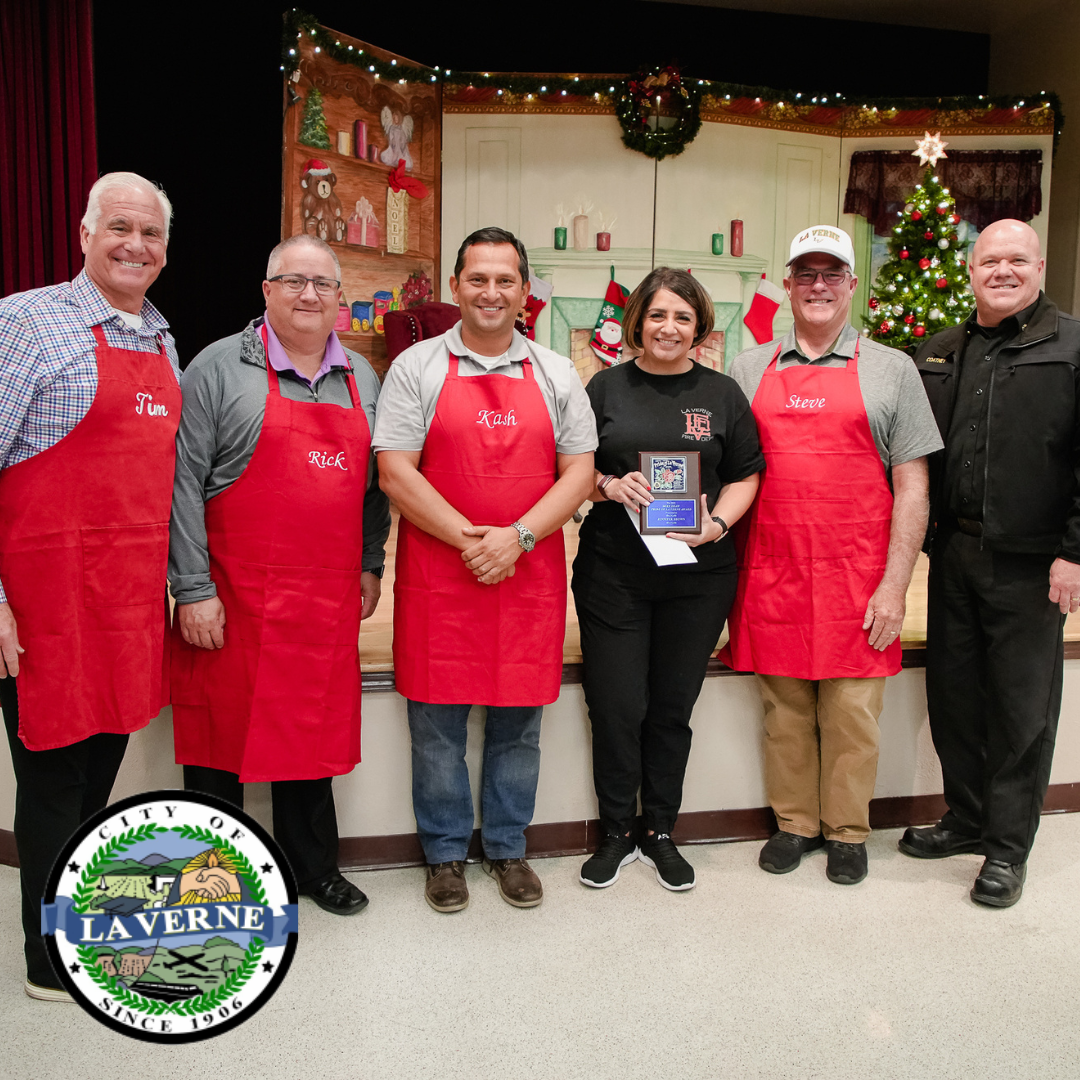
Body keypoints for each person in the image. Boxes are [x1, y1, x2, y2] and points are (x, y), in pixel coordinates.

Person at [375, 227, 596, 912]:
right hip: (441, 579)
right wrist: (472, 540)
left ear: (524, 292)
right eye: (478, 279)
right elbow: (393, 470)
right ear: (455, 287)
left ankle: (507, 847)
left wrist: (519, 538)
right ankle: (444, 855)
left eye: (505, 280)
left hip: (525, 576)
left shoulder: (557, 373)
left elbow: (581, 471)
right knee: (436, 727)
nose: (491, 292)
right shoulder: (416, 368)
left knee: (518, 727)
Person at [168, 234, 389, 916]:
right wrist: (193, 589)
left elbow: (374, 488)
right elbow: (182, 484)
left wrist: (369, 562)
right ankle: (215, 883)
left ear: (340, 302)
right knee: (216, 742)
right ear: (266, 292)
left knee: (310, 735)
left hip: (323, 596)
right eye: (293, 281)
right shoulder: (216, 368)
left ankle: (313, 868)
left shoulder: (362, 377)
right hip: (231, 595)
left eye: (323, 284)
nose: (308, 295)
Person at [0, 172, 179, 1000]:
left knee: (103, 762)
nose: (134, 245)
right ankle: (46, 963)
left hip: (128, 599)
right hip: (47, 603)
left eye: (150, 233)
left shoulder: (163, 339)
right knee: (51, 778)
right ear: (83, 233)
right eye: (119, 227)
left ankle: (72, 925)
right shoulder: (26, 321)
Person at [721, 225, 942, 886]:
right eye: (805, 273)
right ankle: (794, 823)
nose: (818, 285)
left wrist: (894, 585)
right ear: (788, 284)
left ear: (851, 285)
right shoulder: (747, 369)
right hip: (771, 574)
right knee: (784, 714)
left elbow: (913, 486)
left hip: (858, 578)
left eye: (832, 274)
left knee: (851, 717)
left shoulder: (892, 369)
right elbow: (730, 473)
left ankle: (847, 829)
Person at [904, 219, 1080, 907]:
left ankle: (1008, 848)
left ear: (1039, 266)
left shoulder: (1072, 347)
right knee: (953, 699)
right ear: (970, 270)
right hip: (953, 554)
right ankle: (967, 818)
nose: (1002, 271)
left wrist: (1074, 551)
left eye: (1016, 260)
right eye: (989, 261)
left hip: (1034, 564)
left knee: (1019, 711)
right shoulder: (941, 351)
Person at [573, 268, 763, 891]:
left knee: (672, 708)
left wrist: (718, 526)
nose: (669, 328)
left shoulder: (724, 394)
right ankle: (615, 832)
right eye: (657, 315)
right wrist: (607, 486)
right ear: (638, 323)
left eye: (683, 317)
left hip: (698, 577)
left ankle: (658, 830)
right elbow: (570, 465)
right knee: (617, 705)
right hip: (614, 576)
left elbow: (745, 474)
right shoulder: (603, 388)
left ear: (700, 328)